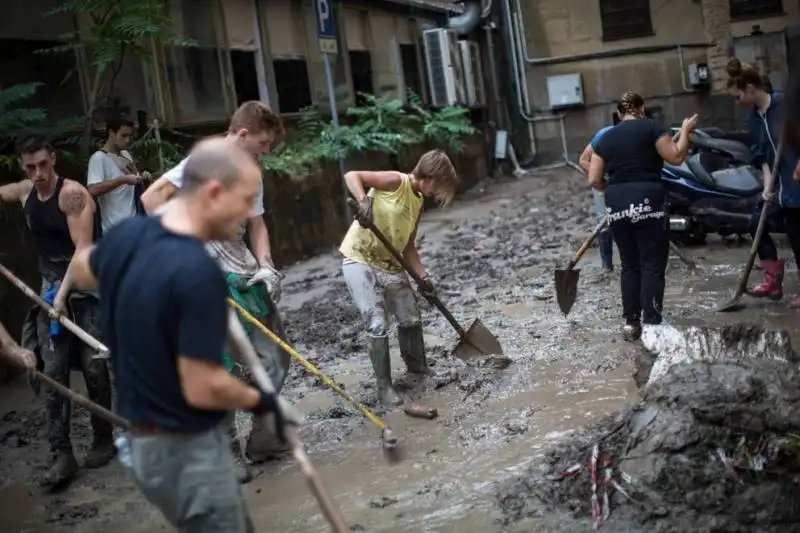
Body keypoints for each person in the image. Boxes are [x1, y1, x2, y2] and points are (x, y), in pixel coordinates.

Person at [65, 138, 291, 533]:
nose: (246, 215)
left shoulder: (134, 236)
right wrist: (263, 404)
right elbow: (203, 386)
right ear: (215, 193)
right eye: (244, 201)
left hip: (143, 448)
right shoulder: (196, 273)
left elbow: (84, 268)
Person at [140, 101, 289, 479]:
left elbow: (256, 225)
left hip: (242, 265)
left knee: (275, 356)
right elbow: (151, 198)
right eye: (263, 143)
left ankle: (263, 440)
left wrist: (267, 265)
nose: (266, 151)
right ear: (241, 135)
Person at [0, 135, 114, 487]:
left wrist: (61, 297)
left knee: (95, 367)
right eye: (30, 167)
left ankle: (103, 437)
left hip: (84, 287)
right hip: (49, 290)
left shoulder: (72, 195)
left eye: (43, 164)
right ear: (23, 166)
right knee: (52, 370)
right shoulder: (23, 192)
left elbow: (82, 252)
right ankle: (61, 452)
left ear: (54, 159)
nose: (38, 173)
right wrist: (51, 298)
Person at [340, 150, 457, 407]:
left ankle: (417, 370)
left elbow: (408, 247)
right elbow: (352, 175)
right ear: (429, 176)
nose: (438, 192)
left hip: (390, 263)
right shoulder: (396, 181)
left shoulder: (418, 204)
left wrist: (422, 277)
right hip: (359, 258)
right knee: (377, 322)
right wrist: (363, 201)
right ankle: (385, 388)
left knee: (410, 316)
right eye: (439, 185)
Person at [588, 92, 697, 341]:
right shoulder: (652, 127)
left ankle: (631, 324)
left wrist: (617, 192)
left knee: (629, 264)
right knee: (652, 263)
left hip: (617, 202)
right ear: (642, 108)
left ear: (619, 113)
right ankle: (652, 323)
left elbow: (593, 179)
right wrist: (685, 130)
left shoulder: (606, 137)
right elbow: (677, 157)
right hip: (650, 199)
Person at [726, 60, 800, 305]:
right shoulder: (754, 117)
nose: (736, 103)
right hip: (779, 186)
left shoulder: (784, 105)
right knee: (757, 221)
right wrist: (767, 186)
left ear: (750, 88)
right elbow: (763, 156)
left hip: (796, 180)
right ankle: (772, 280)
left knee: (798, 235)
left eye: (737, 97)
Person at [87, 117, 150, 234]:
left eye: (130, 136)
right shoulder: (98, 159)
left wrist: (143, 179)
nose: (127, 140)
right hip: (115, 230)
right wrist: (122, 180)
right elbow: (92, 189)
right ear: (111, 133)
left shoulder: (126, 155)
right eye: (123, 135)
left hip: (136, 224)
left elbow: (138, 189)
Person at [579, 124, 615, 272]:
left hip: (625, 181)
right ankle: (607, 264)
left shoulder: (639, 132)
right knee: (604, 224)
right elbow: (583, 160)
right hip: (602, 180)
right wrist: (601, 179)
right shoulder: (604, 136)